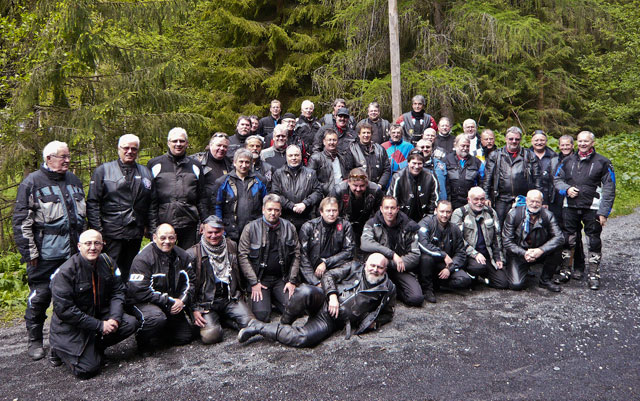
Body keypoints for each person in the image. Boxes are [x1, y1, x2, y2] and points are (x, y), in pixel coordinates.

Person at [13, 140, 87, 360]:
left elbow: (84, 216)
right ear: (49, 159)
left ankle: (65, 340)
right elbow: (21, 222)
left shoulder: (74, 180)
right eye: (63, 157)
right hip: (44, 255)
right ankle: (34, 339)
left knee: (72, 297)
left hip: (73, 253)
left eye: (68, 156)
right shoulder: (32, 182)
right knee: (40, 297)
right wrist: (30, 254)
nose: (67, 160)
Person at [237, 253, 395, 348]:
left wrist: (375, 323)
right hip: (324, 299)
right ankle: (284, 325)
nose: (375, 270)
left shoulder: (389, 288)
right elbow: (329, 275)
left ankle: (257, 327)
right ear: (366, 264)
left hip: (332, 320)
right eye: (372, 265)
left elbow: (388, 313)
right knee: (304, 290)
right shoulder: (354, 267)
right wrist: (332, 295)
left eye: (379, 267)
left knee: (304, 339)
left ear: (385, 270)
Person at [49, 230, 138, 378]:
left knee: (130, 323)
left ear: (102, 245)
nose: (92, 247)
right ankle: (59, 349)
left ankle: (93, 348)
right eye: (88, 243)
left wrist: (114, 318)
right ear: (79, 246)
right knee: (87, 370)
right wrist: (99, 325)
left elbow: (118, 291)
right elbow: (65, 310)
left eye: (97, 243)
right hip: (71, 326)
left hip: (97, 315)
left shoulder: (108, 263)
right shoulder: (65, 272)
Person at [87, 134, 157, 281]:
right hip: (111, 232)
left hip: (135, 232)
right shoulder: (103, 171)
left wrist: (151, 230)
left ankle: (127, 300)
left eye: (134, 149)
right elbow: (93, 203)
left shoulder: (145, 172)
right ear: (119, 149)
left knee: (130, 269)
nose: (130, 151)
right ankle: (109, 301)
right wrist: (98, 232)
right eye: (126, 148)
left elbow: (151, 204)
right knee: (109, 270)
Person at [554, 131, 615, 290]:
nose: (582, 144)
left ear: (592, 143)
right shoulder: (567, 161)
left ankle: (594, 274)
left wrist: (604, 212)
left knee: (593, 240)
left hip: (592, 207)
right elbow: (557, 179)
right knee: (568, 239)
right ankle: (565, 269)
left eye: (586, 141)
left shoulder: (603, 162)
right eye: (580, 141)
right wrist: (566, 189)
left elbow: (609, 188)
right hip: (570, 206)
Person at [127, 224, 195, 355]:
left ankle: (159, 333)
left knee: (184, 337)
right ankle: (143, 340)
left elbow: (190, 281)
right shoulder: (143, 259)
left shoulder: (182, 255)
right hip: (143, 302)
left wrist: (181, 301)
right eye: (162, 238)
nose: (167, 242)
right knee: (157, 319)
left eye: (171, 238)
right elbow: (140, 291)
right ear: (154, 238)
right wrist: (169, 301)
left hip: (170, 301)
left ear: (175, 238)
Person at [187, 216, 253, 344]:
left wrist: (244, 292)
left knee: (251, 324)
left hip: (230, 297)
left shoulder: (232, 245)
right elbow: (187, 286)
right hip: (206, 302)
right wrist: (193, 309)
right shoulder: (192, 254)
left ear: (223, 231)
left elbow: (240, 272)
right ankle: (218, 321)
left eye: (217, 232)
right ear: (202, 231)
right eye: (209, 232)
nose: (213, 236)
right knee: (211, 336)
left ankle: (224, 318)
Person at [237, 194, 301, 322]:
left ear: (281, 211)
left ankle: (276, 298)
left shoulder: (289, 227)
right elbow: (243, 256)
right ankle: (266, 300)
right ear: (263, 210)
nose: (273, 213)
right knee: (262, 315)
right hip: (260, 280)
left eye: (276, 210)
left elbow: (296, 254)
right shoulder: (250, 228)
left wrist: (292, 281)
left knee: (295, 311)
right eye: (270, 209)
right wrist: (254, 283)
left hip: (281, 279)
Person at [147, 127, 207, 249]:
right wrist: (152, 226)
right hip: (163, 221)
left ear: (187, 143)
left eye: (181, 141)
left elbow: (201, 196)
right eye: (174, 141)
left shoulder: (195, 165)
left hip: (189, 222)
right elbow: (149, 199)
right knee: (163, 257)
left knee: (188, 257)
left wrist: (205, 221)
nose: (178, 144)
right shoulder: (155, 164)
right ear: (168, 143)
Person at [361, 196, 423, 306]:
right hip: (378, 268)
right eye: (386, 208)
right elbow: (365, 243)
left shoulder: (409, 226)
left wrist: (391, 263)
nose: (389, 211)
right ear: (381, 208)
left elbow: (415, 255)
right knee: (367, 298)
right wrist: (391, 254)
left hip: (400, 267)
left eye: (392, 208)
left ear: (398, 209)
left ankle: (393, 290)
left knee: (416, 298)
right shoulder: (372, 223)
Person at [501, 190, 564, 292]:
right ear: (526, 200)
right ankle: (521, 270)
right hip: (519, 253)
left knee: (557, 246)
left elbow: (559, 237)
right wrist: (524, 253)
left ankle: (545, 280)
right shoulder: (513, 215)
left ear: (542, 202)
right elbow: (506, 241)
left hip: (539, 252)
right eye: (532, 201)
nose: (534, 205)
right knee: (516, 285)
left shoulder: (548, 215)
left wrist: (541, 250)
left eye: (538, 202)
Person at [482, 126, 541, 228]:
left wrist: (538, 197)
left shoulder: (529, 155)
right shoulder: (495, 155)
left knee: (522, 228)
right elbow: (487, 178)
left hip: (523, 198)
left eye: (517, 139)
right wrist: (486, 197)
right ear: (506, 139)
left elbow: (537, 179)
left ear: (520, 140)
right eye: (511, 139)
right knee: (499, 227)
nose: (514, 141)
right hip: (501, 199)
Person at [450, 187, 508, 289]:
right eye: (476, 199)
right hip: (468, 255)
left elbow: (496, 237)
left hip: (487, 255)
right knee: (478, 267)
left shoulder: (491, 212)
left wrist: (498, 257)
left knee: (503, 283)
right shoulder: (459, 213)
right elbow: (458, 241)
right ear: (469, 200)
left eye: (482, 199)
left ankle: (484, 277)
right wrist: (474, 253)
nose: (480, 202)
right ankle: (470, 275)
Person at [417, 201, 470, 303]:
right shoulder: (426, 223)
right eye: (442, 211)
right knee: (425, 258)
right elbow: (423, 244)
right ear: (435, 211)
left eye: (448, 212)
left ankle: (438, 283)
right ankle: (427, 289)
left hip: (445, 265)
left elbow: (461, 253)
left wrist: (449, 269)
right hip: (428, 263)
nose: (445, 215)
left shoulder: (454, 229)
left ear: (451, 212)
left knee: (464, 279)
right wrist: (443, 255)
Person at [214, 149, 268, 241]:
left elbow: (266, 204)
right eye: (241, 162)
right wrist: (220, 227)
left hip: (255, 229)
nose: (244, 165)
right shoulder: (222, 182)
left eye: (247, 162)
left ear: (251, 164)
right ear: (234, 163)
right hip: (230, 230)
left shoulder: (260, 180)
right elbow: (217, 207)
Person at [299, 197, 355, 286]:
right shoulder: (308, 227)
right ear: (321, 212)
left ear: (338, 211)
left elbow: (349, 251)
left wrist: (326, 262)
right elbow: (303, 257)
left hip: (336, 269)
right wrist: (315, 282)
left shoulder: (345, 226)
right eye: (328, 211)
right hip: (313, 271)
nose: (331, 214)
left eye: (334, 210)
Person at [553, 135, 585, 279]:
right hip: (558, 200)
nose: (565, 147)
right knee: (563, 234)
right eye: (562, 145)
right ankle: (563, 264)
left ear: (573, 145)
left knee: (576, 235)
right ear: (559, 146)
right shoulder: (555, 160)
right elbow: (553, 180)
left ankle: (579, 266)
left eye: (568, 145)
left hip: (575, 202)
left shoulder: (579, 160)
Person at [271, 145, 323, 230]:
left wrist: (305, 203)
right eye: (290, 155)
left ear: (301, 156)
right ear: (286, 157)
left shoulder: (311, 173)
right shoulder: (278, 174)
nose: (294, 158)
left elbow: (318, 192)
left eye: (296, 155)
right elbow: (275, 194)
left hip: (307, 219)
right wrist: (291, 206)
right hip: (285, 220)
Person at [330, 168, 384, 248]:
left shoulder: (375, 190)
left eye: (362, 186)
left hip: (366, 223)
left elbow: (380, 213)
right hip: (343, 223)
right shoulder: (339, 190)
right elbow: (330, 212)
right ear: (348, 182)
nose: (358, 189)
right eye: (355, 186)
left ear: (367, 183)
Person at [388, 151, 438, 222]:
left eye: (419, 163)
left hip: (424, 217)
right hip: (402, 217)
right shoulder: (398, 177)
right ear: (408, 163)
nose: (416, 167)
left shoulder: (430, 176)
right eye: (414, 163)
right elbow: (392, 199)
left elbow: (434, 199)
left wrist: (429, 217)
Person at [191, 132, 233, 214]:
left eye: (225, 146)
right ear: (210, 145)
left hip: (224, 209)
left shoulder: (230, 164)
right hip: (204, 209)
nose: (221, 148)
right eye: (219, 145)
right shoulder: (197, 161)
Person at [444, 134, 485, 210]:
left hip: (470, 202)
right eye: (462, 146)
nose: (465, 148)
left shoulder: (477, 162)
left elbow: (482, 181)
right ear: (456, 145)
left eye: (467, 146)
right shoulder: (446, 160)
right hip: (451, 200)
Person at [308, 129, 355, 195]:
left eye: (334, 140)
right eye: (329, 140)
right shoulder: (316, 158)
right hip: (324, 195)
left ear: (337, 141)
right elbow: (310, 180)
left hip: (342, 193)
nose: (332, 142)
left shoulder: (341, 157)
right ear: (324, 142)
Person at [349, 122, 392, 189]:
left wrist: (380, 185)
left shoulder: (380, 149)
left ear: (371, 134)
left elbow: (387, 169)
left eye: (368, 133)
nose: (366, 135)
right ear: (359, 134)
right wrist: (357, 186)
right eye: (363, 133)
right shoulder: (352, 149)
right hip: (358, 189)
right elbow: (348, 170)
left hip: (377, 188)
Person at [530, 130, 559, 212]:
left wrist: (545, 200)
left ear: (546, 141)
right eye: (536, 140)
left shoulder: (554, 156)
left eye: (542, 140)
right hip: (531, 196)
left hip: (550, 197)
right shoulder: (526, 155)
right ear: (532, 141)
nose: (539, 142)